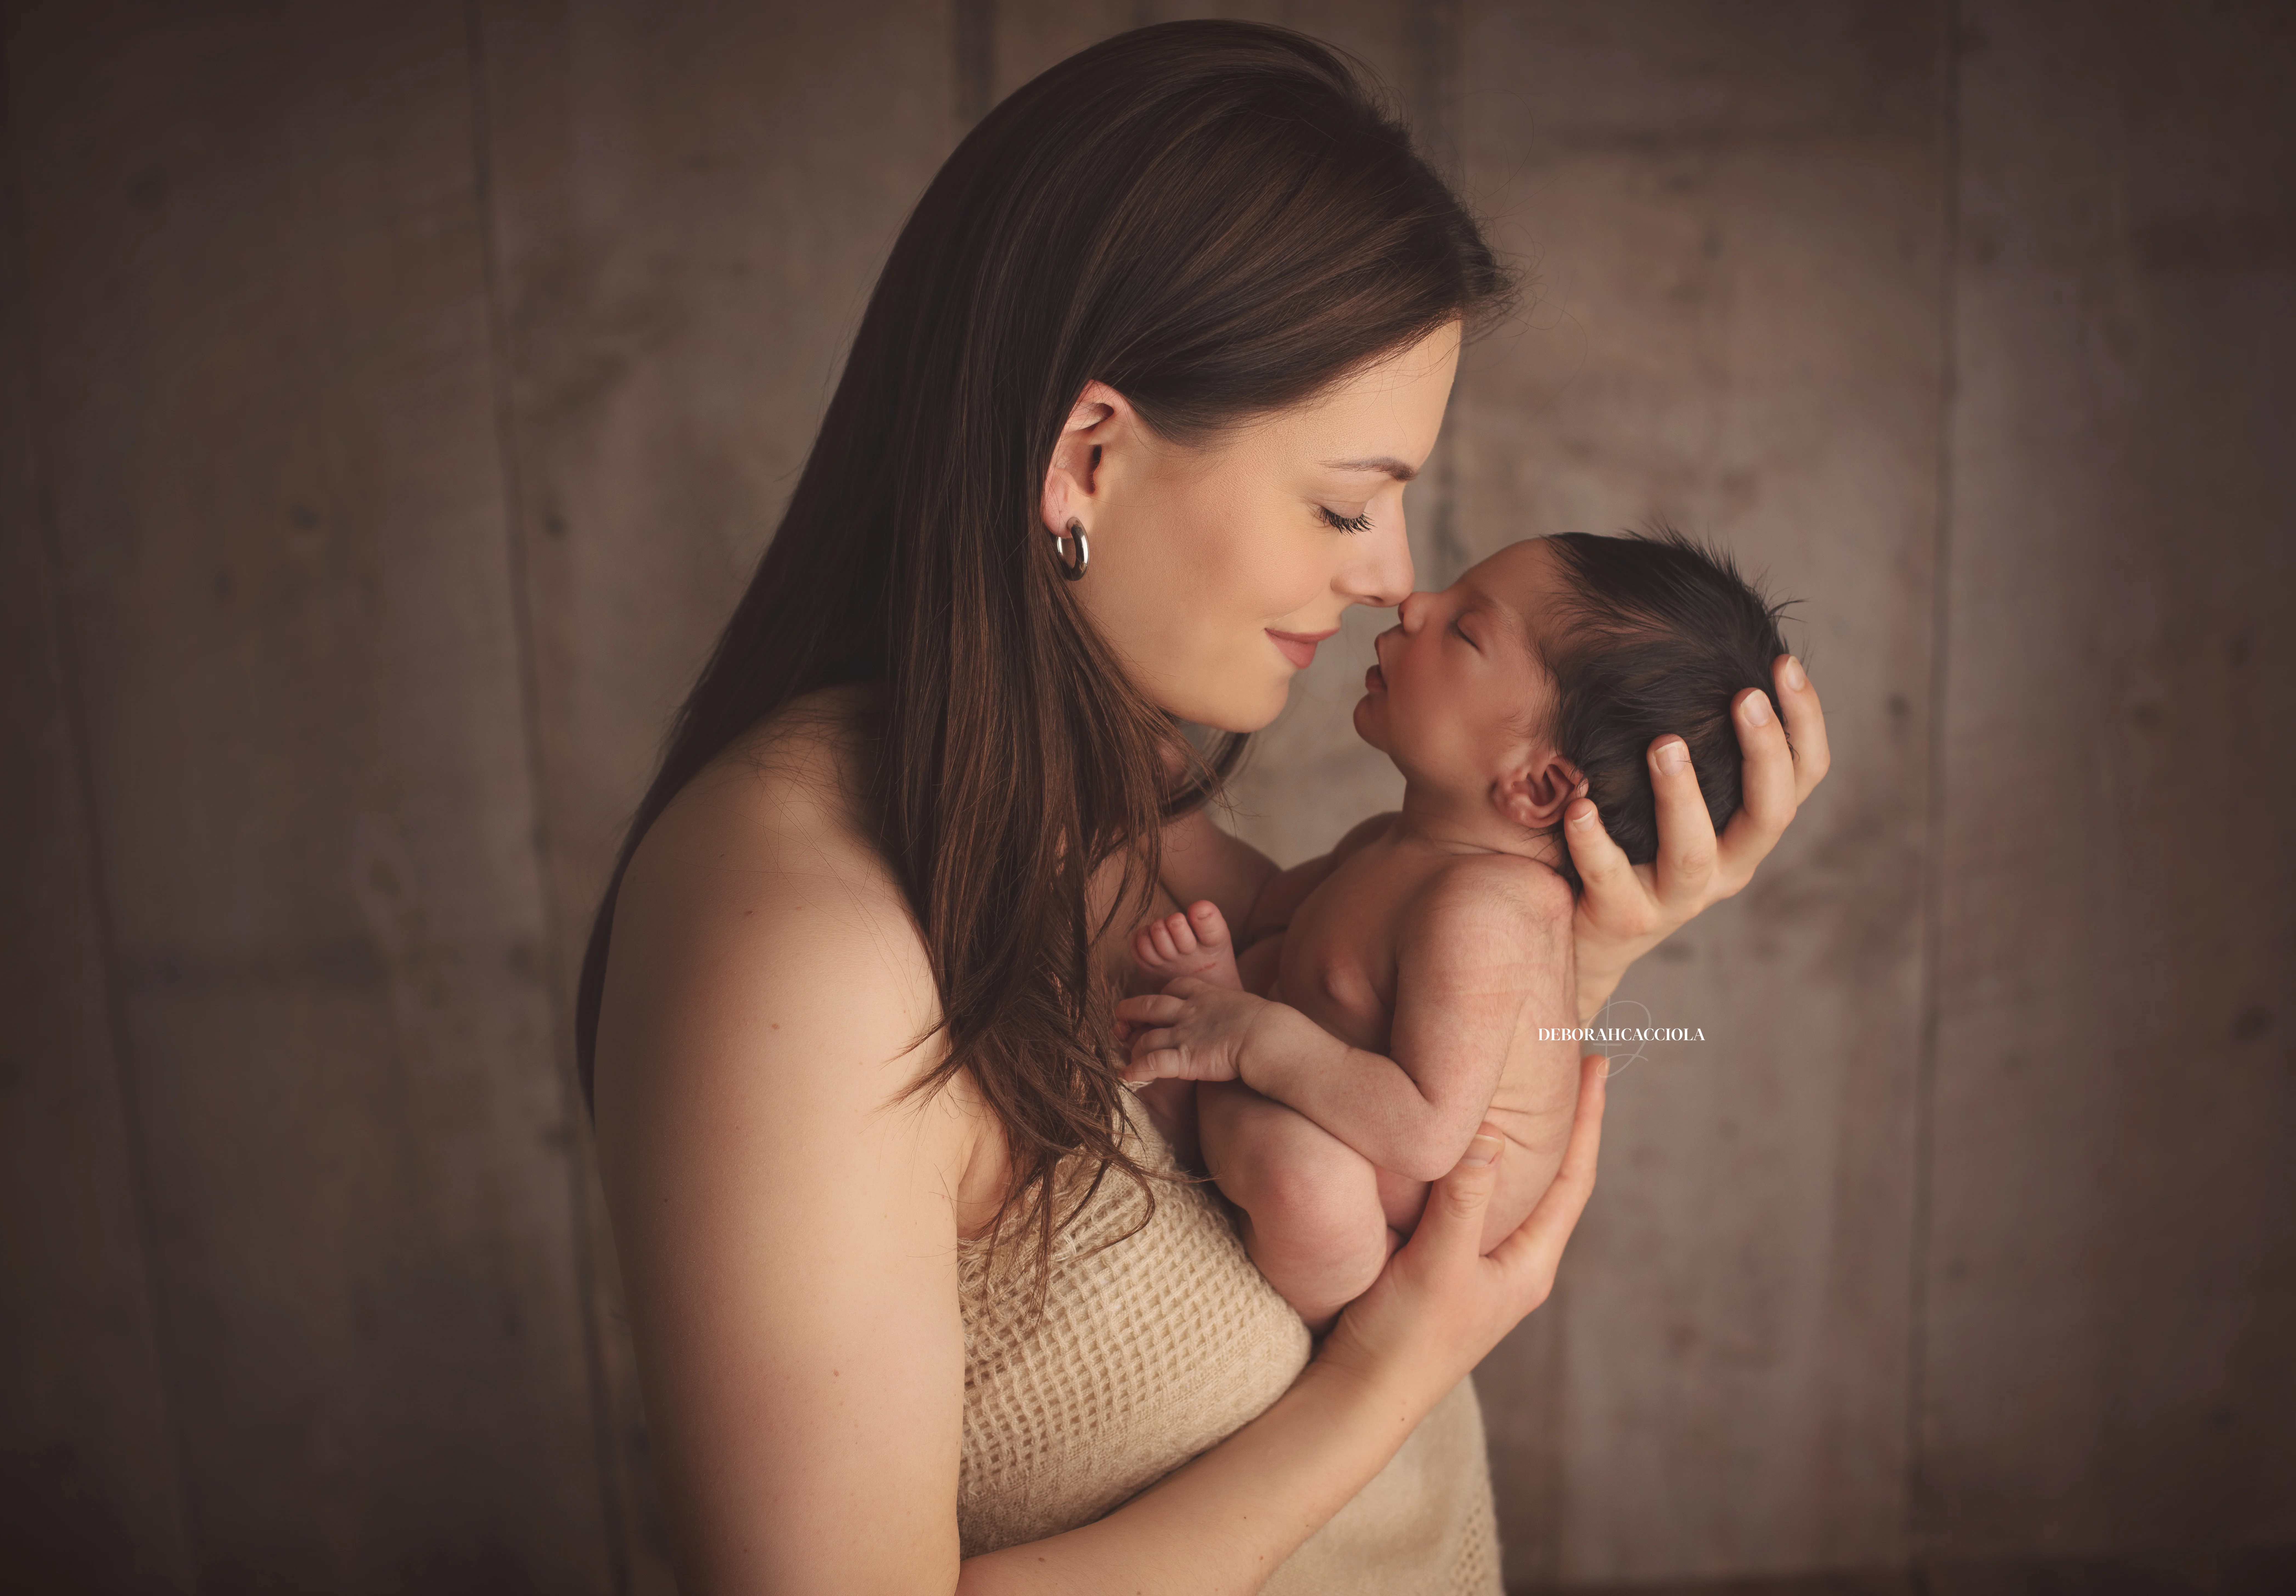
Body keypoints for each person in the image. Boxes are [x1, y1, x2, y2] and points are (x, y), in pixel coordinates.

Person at [579, 21, 1831, 1593]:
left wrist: (1586, 932)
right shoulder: (800, 952)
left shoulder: (1110, 785)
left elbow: (1410, 1099)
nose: (1390, 574)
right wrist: (1388, 1378)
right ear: (1089, 457)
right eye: (1344, 501)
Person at [1114, 530, 1796, 1329]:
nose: (1414, 603)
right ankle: (1203, 1067)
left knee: (1309, 1182)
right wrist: (1163, 798)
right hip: (1306, 1105)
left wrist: (1248, 1037)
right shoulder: (1402, 842)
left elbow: (1426, 1134)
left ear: (1538, 787)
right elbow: (1269, 911)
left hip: (1372, 1236)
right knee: (1247, 988)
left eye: (1466, 631)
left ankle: (1217, 1155)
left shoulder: (1489, 918)